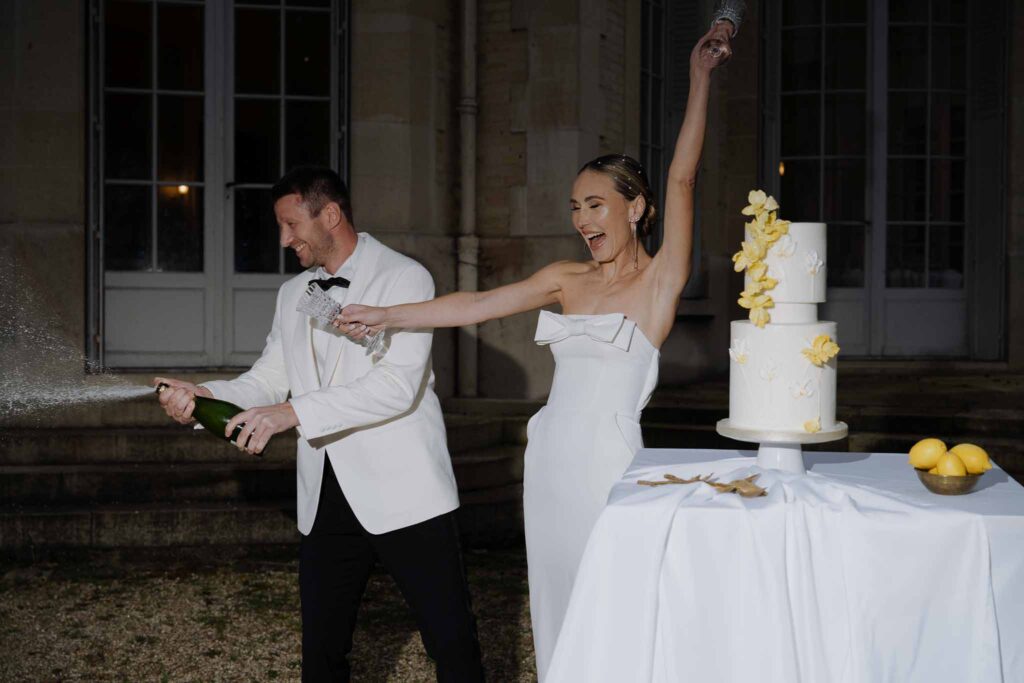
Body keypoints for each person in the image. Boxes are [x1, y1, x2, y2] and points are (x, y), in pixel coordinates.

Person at [335, 25, 730, 681]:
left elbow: (684, 177)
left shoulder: (660, 283)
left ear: (636, 209)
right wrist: (385, 314)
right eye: (576, 207)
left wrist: (699, 78)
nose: (583, 219)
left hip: (610, 461)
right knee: (557, 594)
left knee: (620, 598)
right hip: (549, 458)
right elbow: (473, 303)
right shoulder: (564, 277)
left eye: (596, 204)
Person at [154, 167, 485, 683]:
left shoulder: (405, 277)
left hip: (406, 491)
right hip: (325, 493)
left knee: (451, 643)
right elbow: (269, 377)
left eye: (291, 225)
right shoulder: (291, 294)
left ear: (330, 215)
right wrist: (206, 396)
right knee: (322, 653)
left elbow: (395, 386)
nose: (284, 239)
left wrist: (293, 413)